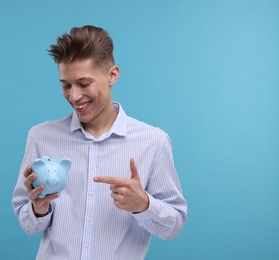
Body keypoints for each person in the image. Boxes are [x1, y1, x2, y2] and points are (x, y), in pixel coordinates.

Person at [12, 25, 187, 260]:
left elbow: (173, 226)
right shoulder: (41, 137)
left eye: (84, 84)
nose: (74, 96)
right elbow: (29, 225)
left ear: (112, 75)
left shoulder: (154, 142)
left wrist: (143, 204)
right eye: (66, 85)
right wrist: (38, 208)